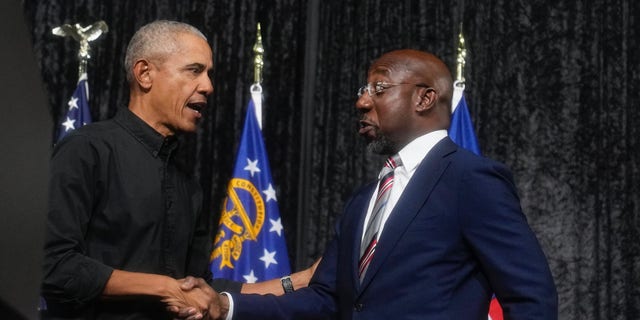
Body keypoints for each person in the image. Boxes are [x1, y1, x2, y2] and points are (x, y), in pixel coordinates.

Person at [204, 49, 558, 319]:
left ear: (424, 98)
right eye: (363, 89)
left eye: (379, 88)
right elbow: (327, 297)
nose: (362, 101)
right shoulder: (363, 201)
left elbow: (530, 297)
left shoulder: (471, 180)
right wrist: (227, 305)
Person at [40, 20, 316, 320]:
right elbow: (52, 265)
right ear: (145, 73)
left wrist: (297, 281)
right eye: (194, 70)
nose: (208, 86)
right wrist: (164, 288)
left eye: (209, 74)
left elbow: (201, 288)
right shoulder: (86, 150)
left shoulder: (186, 183)